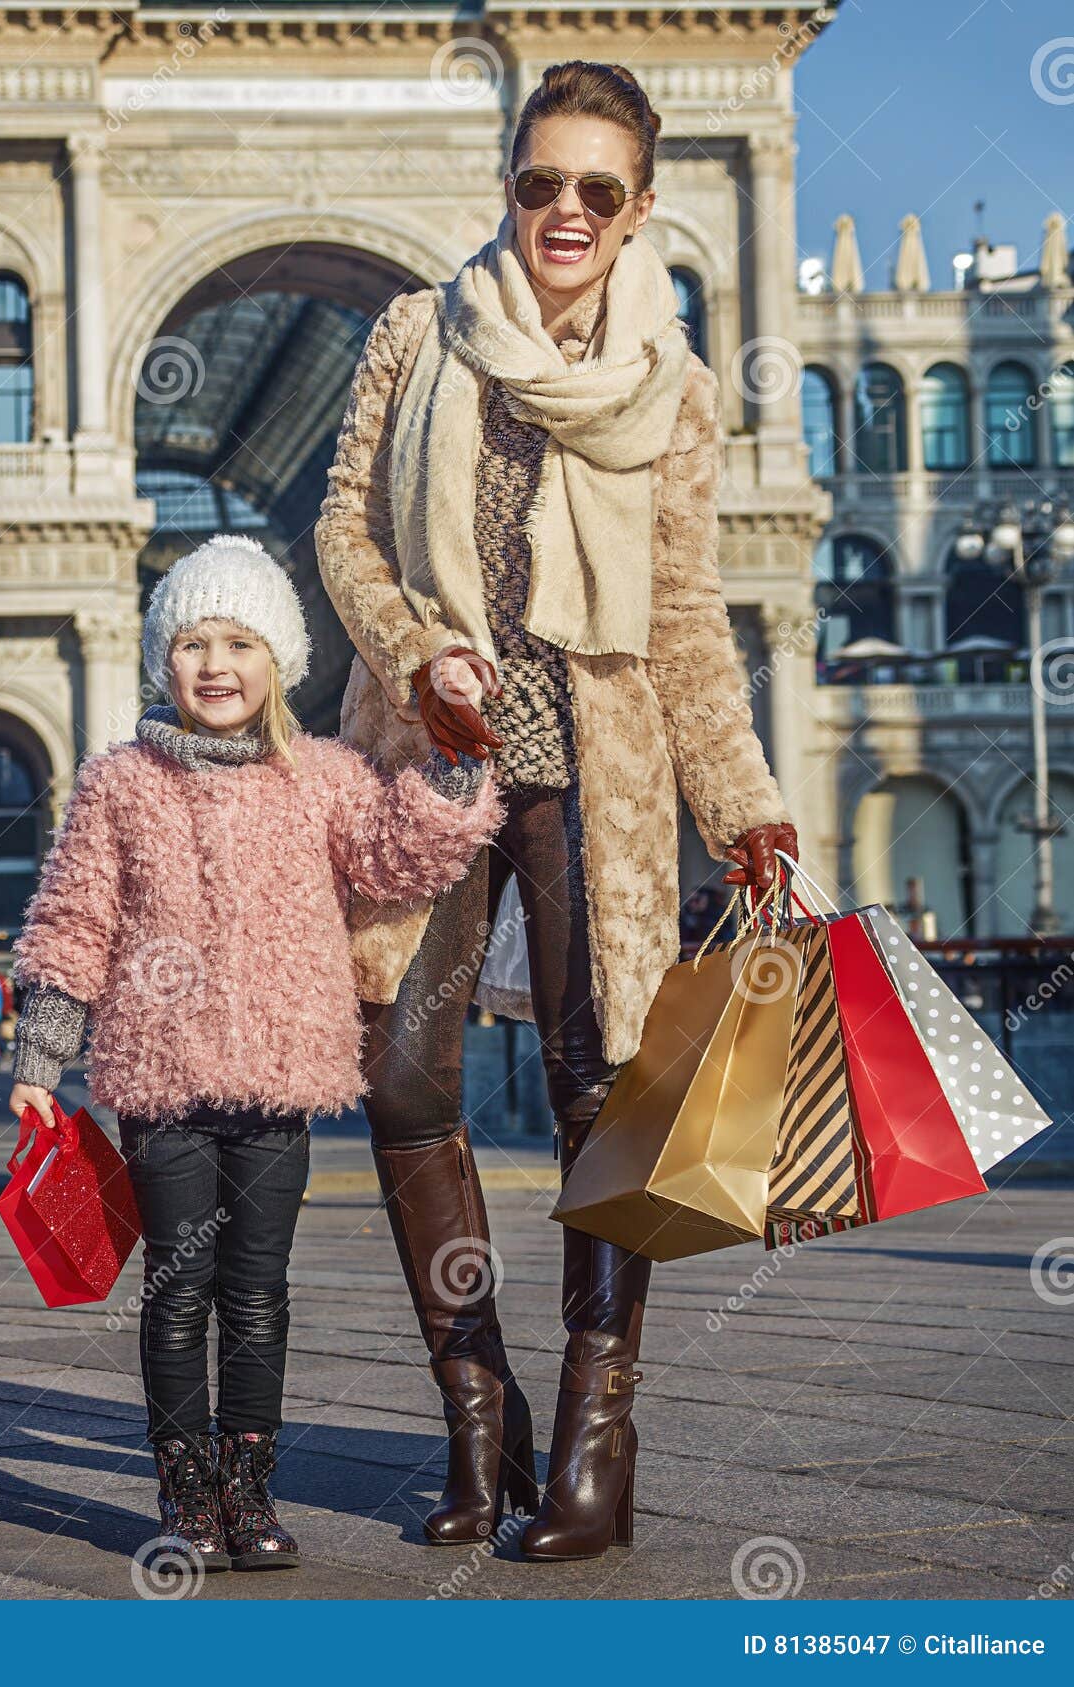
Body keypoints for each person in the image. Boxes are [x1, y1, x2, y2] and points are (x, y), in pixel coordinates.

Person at [315, 59, 799, 1560]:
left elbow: (686, 616)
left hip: (600, 764)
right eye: (541, 183)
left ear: (638, 204)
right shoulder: (416, 333)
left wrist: (749, 806)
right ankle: (481, 1412)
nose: (565, 210)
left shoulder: (676, 384)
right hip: (436, 754)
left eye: (598, 189)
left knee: (604, 1092)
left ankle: (598, 1424)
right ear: (508, 188)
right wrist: (414, 650)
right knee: (403, 1077)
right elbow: (340, 524)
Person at [7, 535, 503, 1574]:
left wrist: (456, 769)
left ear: (278, 661)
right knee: (178, 1289)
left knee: (260, 1290)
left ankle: (250, 1488)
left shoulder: (320, 777)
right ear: (163, 661)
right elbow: (73, 915)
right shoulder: (118, 784)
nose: (216, 663)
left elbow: (395, 855)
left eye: (240, 642)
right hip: (163, 1081)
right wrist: (41, 1053)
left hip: (281, 1074)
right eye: (192, 642)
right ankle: (185, 1494)